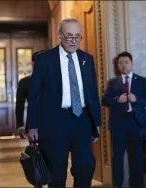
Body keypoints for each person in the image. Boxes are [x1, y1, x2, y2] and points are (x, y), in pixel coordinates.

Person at [26, 18, 102, 187]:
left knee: (85, 167)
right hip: (54, 121)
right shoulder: (44, 59)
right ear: (60, 35)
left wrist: (96, 122)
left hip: (82, 120)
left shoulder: (86, 59)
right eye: (69, 36)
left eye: (77, 36)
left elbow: (92, 92)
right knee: (56, 171)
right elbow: (35, 94)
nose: (74, 41)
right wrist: (32, 125)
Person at [102, 51, 146, 188]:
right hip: (118, 124)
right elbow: (104, 100)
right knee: (117, 157)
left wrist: (137, 99)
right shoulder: (113, 83)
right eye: (120, 63)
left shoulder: (141, 81)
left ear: (132, 64)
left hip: (136, 123)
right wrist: (117, 100)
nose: (123, 65)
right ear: (117, 66)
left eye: (126, 62)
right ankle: (118, 185)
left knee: (136, 157)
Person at [15, 50, 44, 138]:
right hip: (33, 125)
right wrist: (20, 126)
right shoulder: (25, 82)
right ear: (33, 63)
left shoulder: (55, 80)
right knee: (36, 151)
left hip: (54, 125)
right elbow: (19, 105)